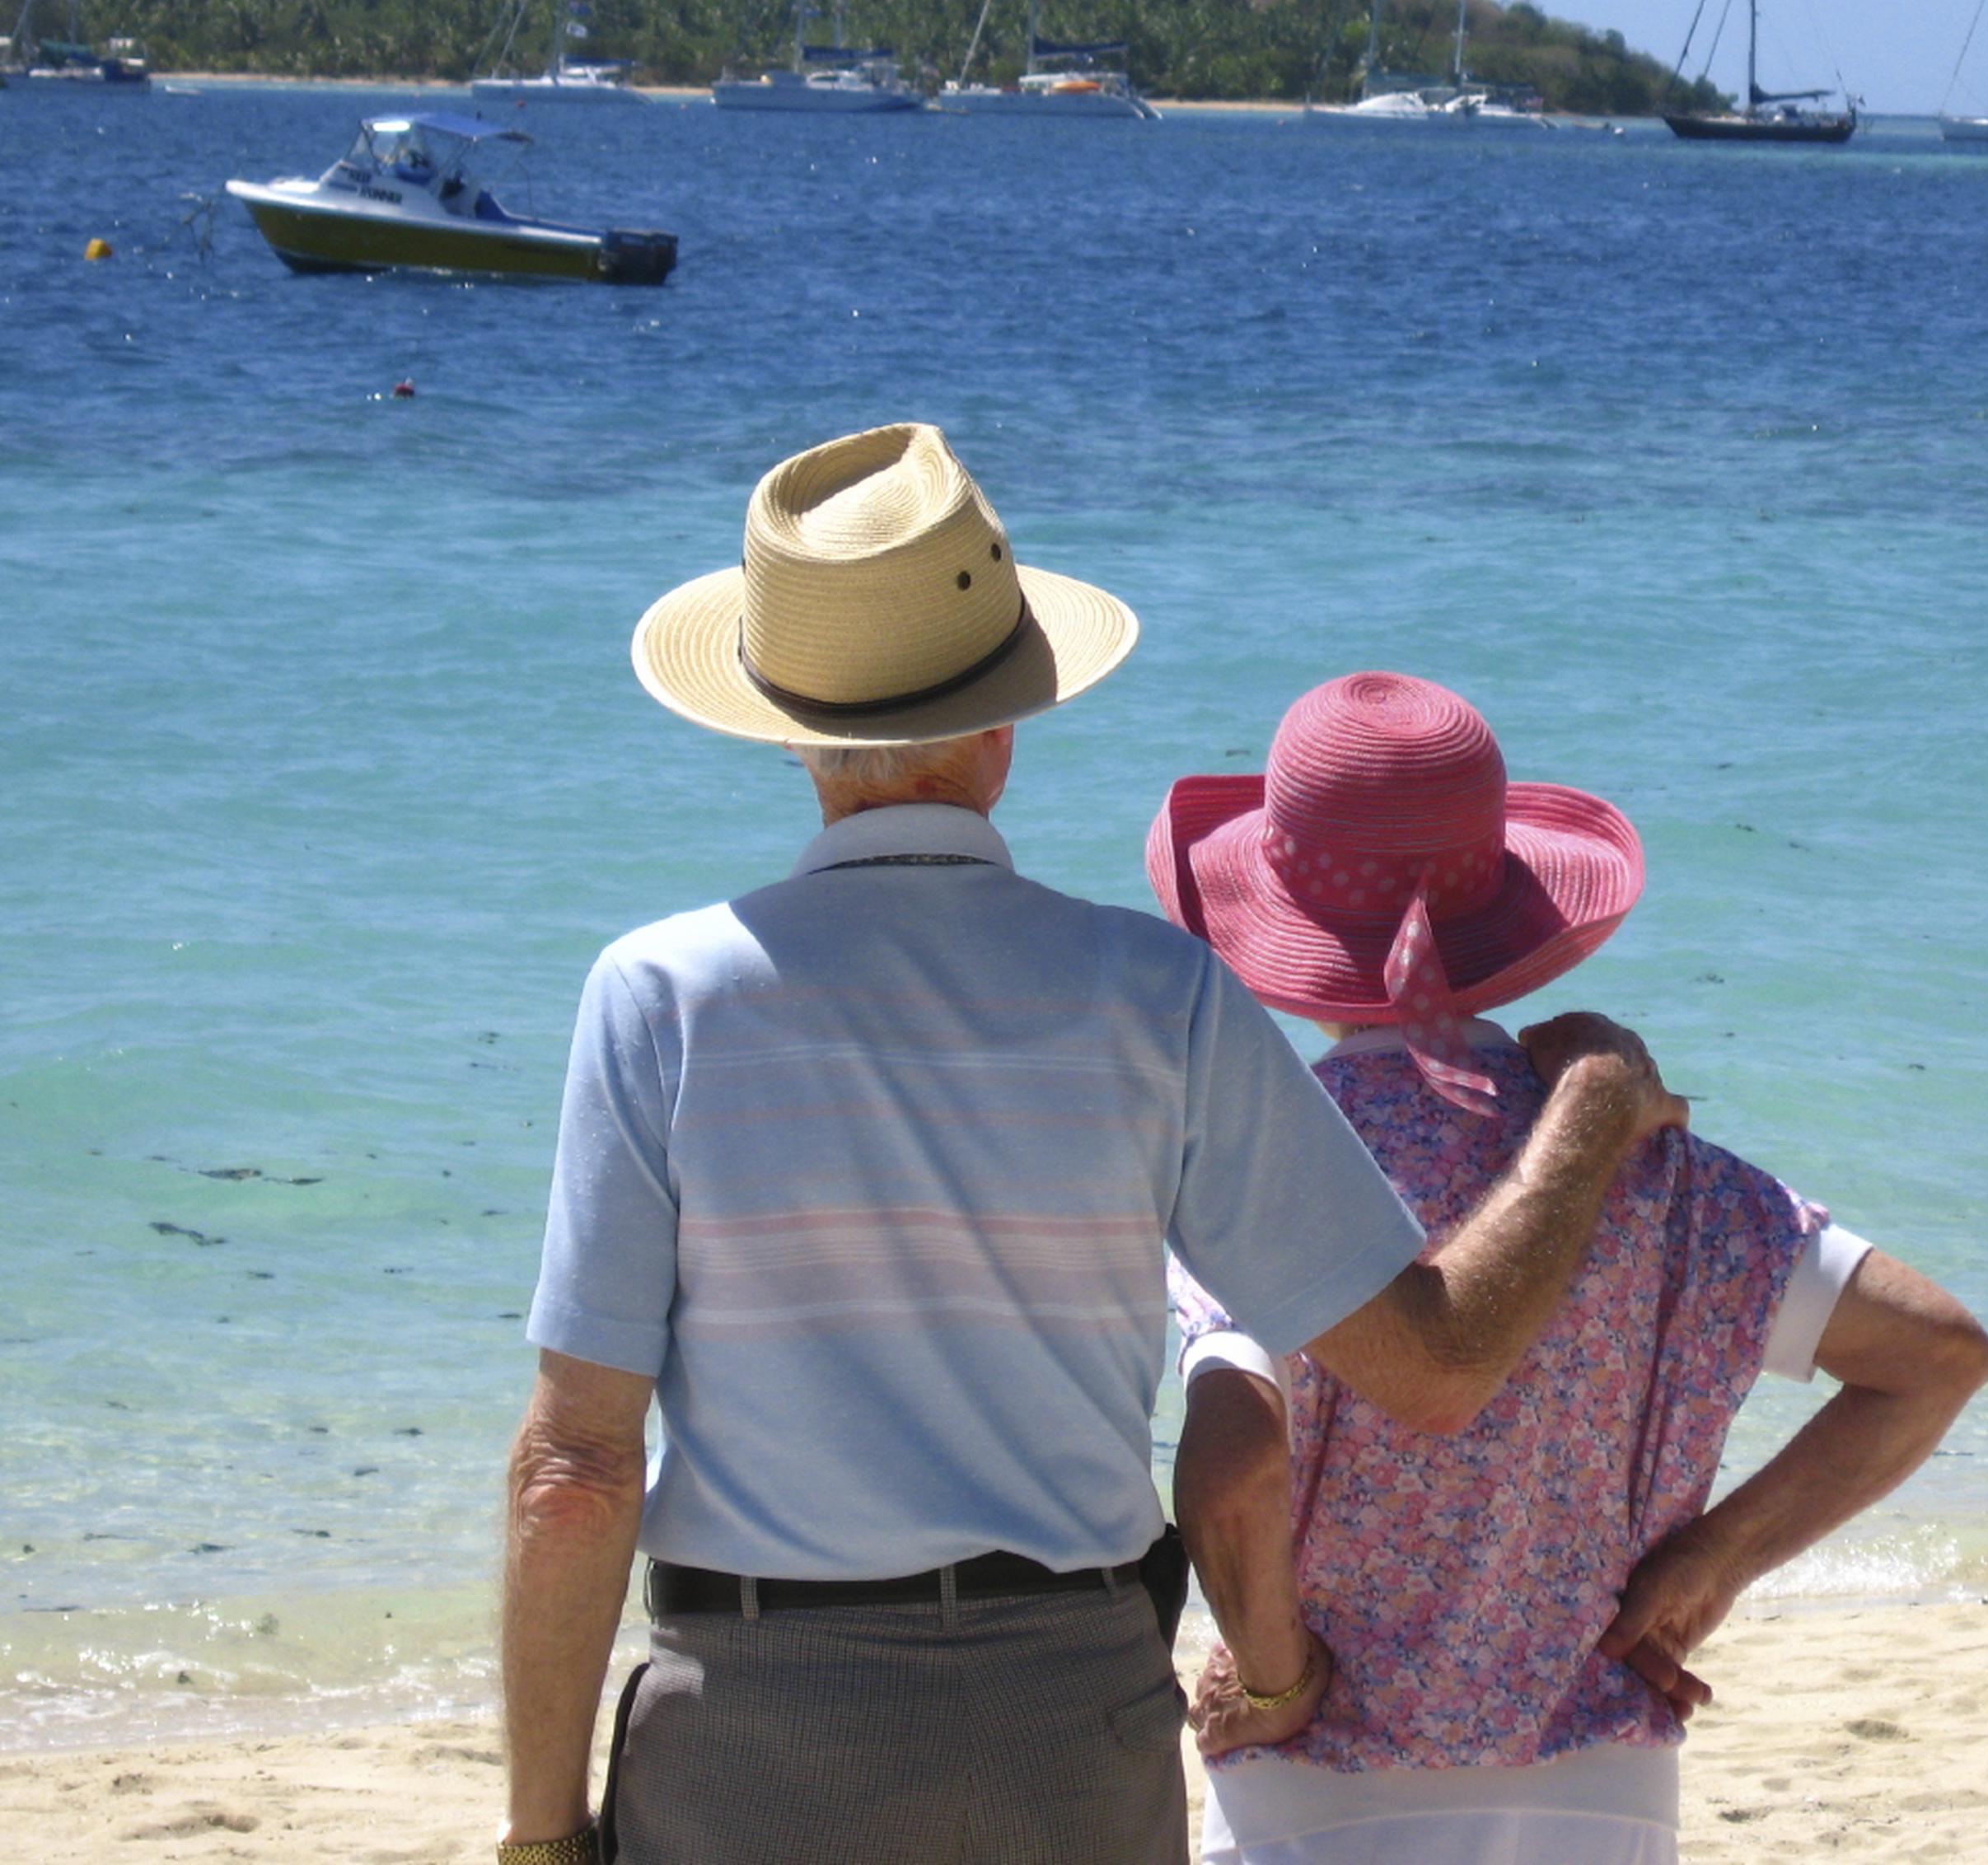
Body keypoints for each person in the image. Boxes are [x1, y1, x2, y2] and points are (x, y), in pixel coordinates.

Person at [496, 424, 1688, 1865]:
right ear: (1004, 730)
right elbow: (1431, 1367)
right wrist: (1592, 1110)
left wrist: (544, 1837)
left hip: (757, 1724)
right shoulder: (1155, 993)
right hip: (1071, 1724)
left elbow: (575, 1474)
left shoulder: (661, 996)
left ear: (794, 737)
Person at [1160, 671, 1988, 1865]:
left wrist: (1279, 1677)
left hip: (1322, 1786)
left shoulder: (1266, 1165)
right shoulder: (1665, 1176)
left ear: (1282, 910)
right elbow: (1939, 1357)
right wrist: (1715, 1559)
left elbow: (1238, 1466)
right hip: (1600, 1779)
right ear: (1501, 900)